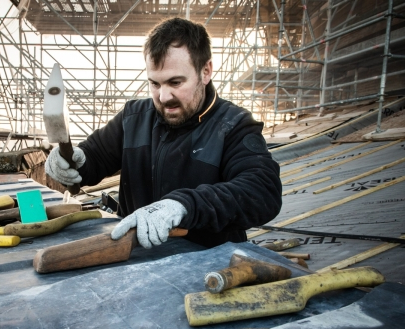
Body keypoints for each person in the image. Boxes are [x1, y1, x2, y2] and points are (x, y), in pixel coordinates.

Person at [46, 17, 282, 249]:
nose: (164, 97)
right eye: (155, 84)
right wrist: (72, 161)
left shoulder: (234, 125)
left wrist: (183, 206)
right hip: (135, 259)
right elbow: (94, 157)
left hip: (208, 267)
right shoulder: (133, 117)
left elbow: (261, 192)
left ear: (206, 71)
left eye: (175, 83)